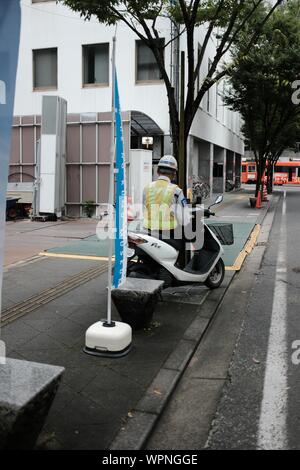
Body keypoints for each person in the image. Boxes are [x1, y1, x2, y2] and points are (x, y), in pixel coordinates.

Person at [143, 155, 191, 253]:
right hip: (169, 235)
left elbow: (142, 209)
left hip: (148, 233)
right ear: (174, 174)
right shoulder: (176, 191)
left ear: (157, 171)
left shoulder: (147, 188)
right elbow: (184, 218)